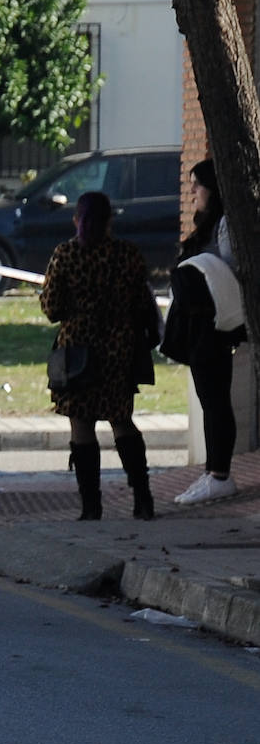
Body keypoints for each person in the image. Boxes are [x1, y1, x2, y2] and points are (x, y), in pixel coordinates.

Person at [39, 192, 158, 521]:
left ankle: (91, 506)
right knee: (121, 418)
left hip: (77, 350)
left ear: (76, 220)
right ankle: (142, 498)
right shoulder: (127, 254)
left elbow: (51, 308)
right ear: (110, 221)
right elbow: (142, 302)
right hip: (119, 346)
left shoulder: (66, 254)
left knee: (81, 423)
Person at [165, 159, 248, 505]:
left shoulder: (225, 225)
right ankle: (214, 471)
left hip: (215, 324)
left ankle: (220, 475)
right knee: (208, 399)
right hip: (200, 324)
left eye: (197, 185)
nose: (192, 193)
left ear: (213, 188)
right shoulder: (209, 225)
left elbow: (231, 270)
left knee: (215, 400)